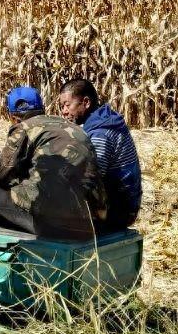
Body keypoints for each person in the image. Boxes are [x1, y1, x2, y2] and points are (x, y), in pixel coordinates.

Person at [0, 86, 106, 240]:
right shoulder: (72, 126)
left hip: (55, 221)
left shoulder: (23, 128)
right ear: (42, 108)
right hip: (92, 220)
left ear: (12, 116)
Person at [57, 78, 142, 232]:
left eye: (67, 105)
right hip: (123, 203)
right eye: (62, 106)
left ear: (86, 102)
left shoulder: (100, 134)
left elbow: (92, 178)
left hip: (120, 211)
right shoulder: (103, 121)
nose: (64, 111)